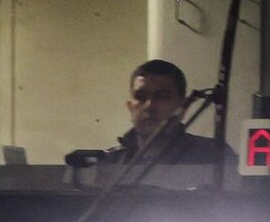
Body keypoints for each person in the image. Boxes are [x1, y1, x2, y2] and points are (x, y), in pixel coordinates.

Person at [99, 59, 236, 167]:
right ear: (130, 106)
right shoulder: (109, 163)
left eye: (162, 96)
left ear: (183, 106)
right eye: (141, 97)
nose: (149, 106)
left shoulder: (214, 156)